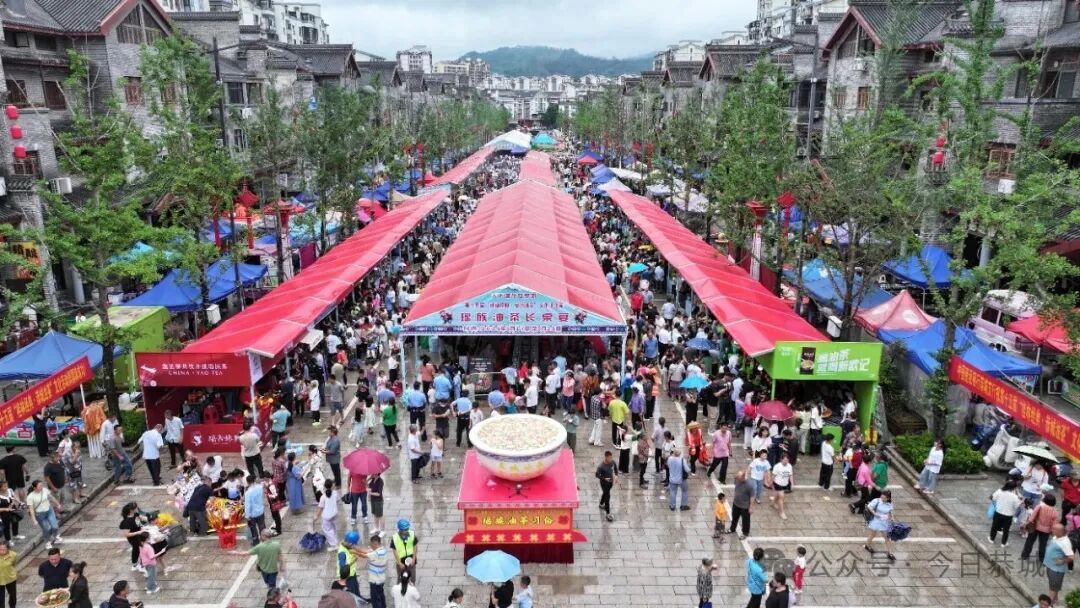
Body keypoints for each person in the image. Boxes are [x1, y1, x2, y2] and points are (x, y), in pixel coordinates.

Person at [352, 533, 390, 608]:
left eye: (371, 544)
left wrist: (353, 552)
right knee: (381, 595)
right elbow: (365, 551)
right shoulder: (383, 550)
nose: (370, 546)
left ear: (375, 543)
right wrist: (354, 547)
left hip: (375, 580)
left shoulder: (376, 553)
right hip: (381, 579)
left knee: (375, 598)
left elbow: (363, 555)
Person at [1021, 494, 1059, 562]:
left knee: (1029, 541)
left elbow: (1032, 517)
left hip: (1035, 527)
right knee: (1043, 545)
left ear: (1045, 500)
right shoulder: (1055, 512)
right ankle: (1042, 559)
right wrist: (1053, 532)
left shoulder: (1039, 507)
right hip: (1046, 530)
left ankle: (1025, 555)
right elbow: (1054, 524)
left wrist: (1026, 524)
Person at [1044, 523, 1074, 605]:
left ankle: (1048, 604)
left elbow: (1071, 557)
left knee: (1053, 588)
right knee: (1053, 585)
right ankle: (1055, 600)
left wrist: (1062, 561)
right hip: (1050, 566)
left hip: (1056, 570)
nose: (1052, 530)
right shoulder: (1056, 537)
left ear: (1060, 532)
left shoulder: (1065, 542)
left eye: (1054, 529)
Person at [28, 479, 62, 548]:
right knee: (46, 528)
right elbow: (31, 509)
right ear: (34, 488)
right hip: (40, 515)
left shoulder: (45, 490)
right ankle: (47, 542)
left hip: (49, 510)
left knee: (55, 526)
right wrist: (34, 520)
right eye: (40, 486)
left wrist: (58, 504)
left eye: (42, 485)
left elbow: (51, 498)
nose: (41, 487)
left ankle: (55, 536)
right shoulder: (30, 497)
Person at [864, 490, 897, 561]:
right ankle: (867, 546)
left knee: (887, 538)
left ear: (888, 498)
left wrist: (892, 517)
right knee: (872, 535)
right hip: (875, 521)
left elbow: (890, 511)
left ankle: (890, 553)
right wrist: (874, 513)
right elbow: (869, 506)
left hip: (884, 522)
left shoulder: (890, 503)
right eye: (881, 497)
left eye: (884, 498)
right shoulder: (877, 500)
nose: (882, 499)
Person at [989, 480, 1022, 547]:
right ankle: (1003, 543)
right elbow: (1016, 506)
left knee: (994, 527)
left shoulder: (999, 491)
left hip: (998, 512)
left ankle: (992, 539)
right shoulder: (1015, 497)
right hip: (1008, 515)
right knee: (1006, 530)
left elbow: (993, 498)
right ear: (1014, 488)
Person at [316, 479, 339, 549]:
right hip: (334, 514)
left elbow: (320, 508)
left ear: (325, 486)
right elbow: (337, 501)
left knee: (327, 530)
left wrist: (316, 516)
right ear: (332, 486)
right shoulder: (335, 493)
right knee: (333, 527)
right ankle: (335, 539)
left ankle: (334, 545)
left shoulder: (323, 497)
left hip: (327, 516)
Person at [244, 474, 266, 547]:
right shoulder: (260, 487)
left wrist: (247, 515)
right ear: (254, 480)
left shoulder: (248, 493)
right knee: (262, 527)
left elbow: (247, 505)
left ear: (247, 482)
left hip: (252, 514)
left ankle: (256, 542)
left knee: (253, 529)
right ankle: (265, 540)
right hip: (260, 511)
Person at [770, 453, 793, 520]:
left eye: (787, 460)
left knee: (777, 495)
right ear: (781, 460)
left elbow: (790, 475)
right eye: (784, 460)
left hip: (785, 484)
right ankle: (782, 512)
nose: (786, 461)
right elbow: (773, 476)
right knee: (781, 497)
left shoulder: (789, 466)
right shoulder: (777, 466)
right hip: (778, 484)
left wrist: (792, 483)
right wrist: (771, 483)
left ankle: (773, 503)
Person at [596, 451, 617, 522]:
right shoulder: (601, 466)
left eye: (611, 457)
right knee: (607, 497)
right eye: (610, 458)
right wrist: (604, 479)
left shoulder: (612, 462)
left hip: (611, 483)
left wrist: (616, 476)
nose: (611, 459)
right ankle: (608, 513)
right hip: (604, 483)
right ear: (606, 457)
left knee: (605, 494)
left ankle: (601, 504)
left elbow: (615, 469)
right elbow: (597, 475)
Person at [0, 542, 16, 608]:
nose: (1, 551)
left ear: (8, 549)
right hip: (0, 580)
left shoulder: (13, 555)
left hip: (10, 578)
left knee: (13, 596)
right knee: (1, 599)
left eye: (4, 549)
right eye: (0, 549)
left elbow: (14, 564)